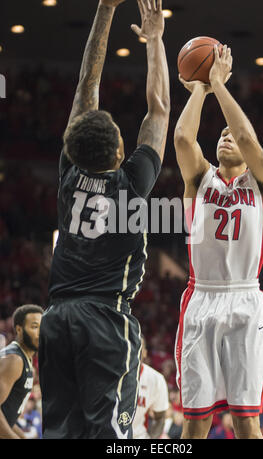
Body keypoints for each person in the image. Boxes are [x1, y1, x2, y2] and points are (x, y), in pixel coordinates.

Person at [38, 0, 170, 439]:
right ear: (119, 153)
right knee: (113, 437)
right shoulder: (130, 185)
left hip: (56, 319)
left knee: (61, 434)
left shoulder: (68, 175)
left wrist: (105, 8)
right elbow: (158, 109)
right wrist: (156, 41)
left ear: (72, 148)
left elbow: (84, 88)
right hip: (105, 322)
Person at [174, 45, 263, 439]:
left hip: (245, 300)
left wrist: (219, 84)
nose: (226, 137)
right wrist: (200, 89)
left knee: (246, 423)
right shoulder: (198, 178)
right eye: (220, 135)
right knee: (195, 424)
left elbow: (248, 138)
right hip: (201, 297)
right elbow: (184, 137)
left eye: (229, 135)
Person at [0, 304, 43, 439]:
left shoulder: (25, 360)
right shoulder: (14, 360)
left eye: (42, 327)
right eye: (35, 327)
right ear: (19, 329)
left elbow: (7, 416)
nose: (40, 333)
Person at [132, 335, 169, 439]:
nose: (134, 351)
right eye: (131, 346)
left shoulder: (156, 379)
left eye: (138, 347)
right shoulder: (111, 375)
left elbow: (160, 418)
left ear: (145, 352)